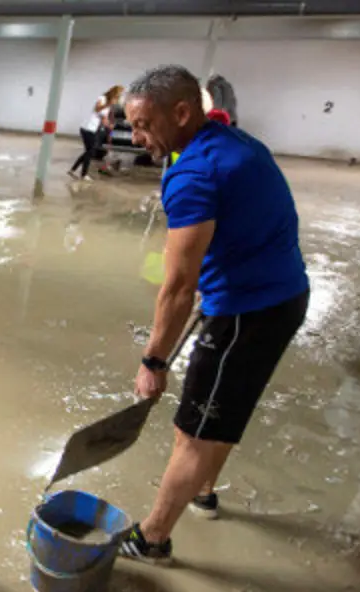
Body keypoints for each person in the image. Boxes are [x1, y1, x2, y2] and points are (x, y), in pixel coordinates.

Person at [117, 65, 309, 564]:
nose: (137, 137)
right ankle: (202, 491)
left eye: (142, 124)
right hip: (277, 294)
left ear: (181, 112)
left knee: (197, 428)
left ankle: (152, 538)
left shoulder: (194, 174)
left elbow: (178, 286)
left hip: (251, 310)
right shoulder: (232, 142)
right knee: (214, 410)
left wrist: (153, 361)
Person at [68, 85, 122, 179]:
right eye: (117, 96)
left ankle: (73, 170)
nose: (117, 99)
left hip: (92, 129)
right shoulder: (102, 98)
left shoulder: (108, 107)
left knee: (88, 152)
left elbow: (104, 120)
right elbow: (97, 108)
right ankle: (83, 175)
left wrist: (110, 126)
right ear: (113, 94)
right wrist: (108, 104)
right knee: (90, 152)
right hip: (87, 128)